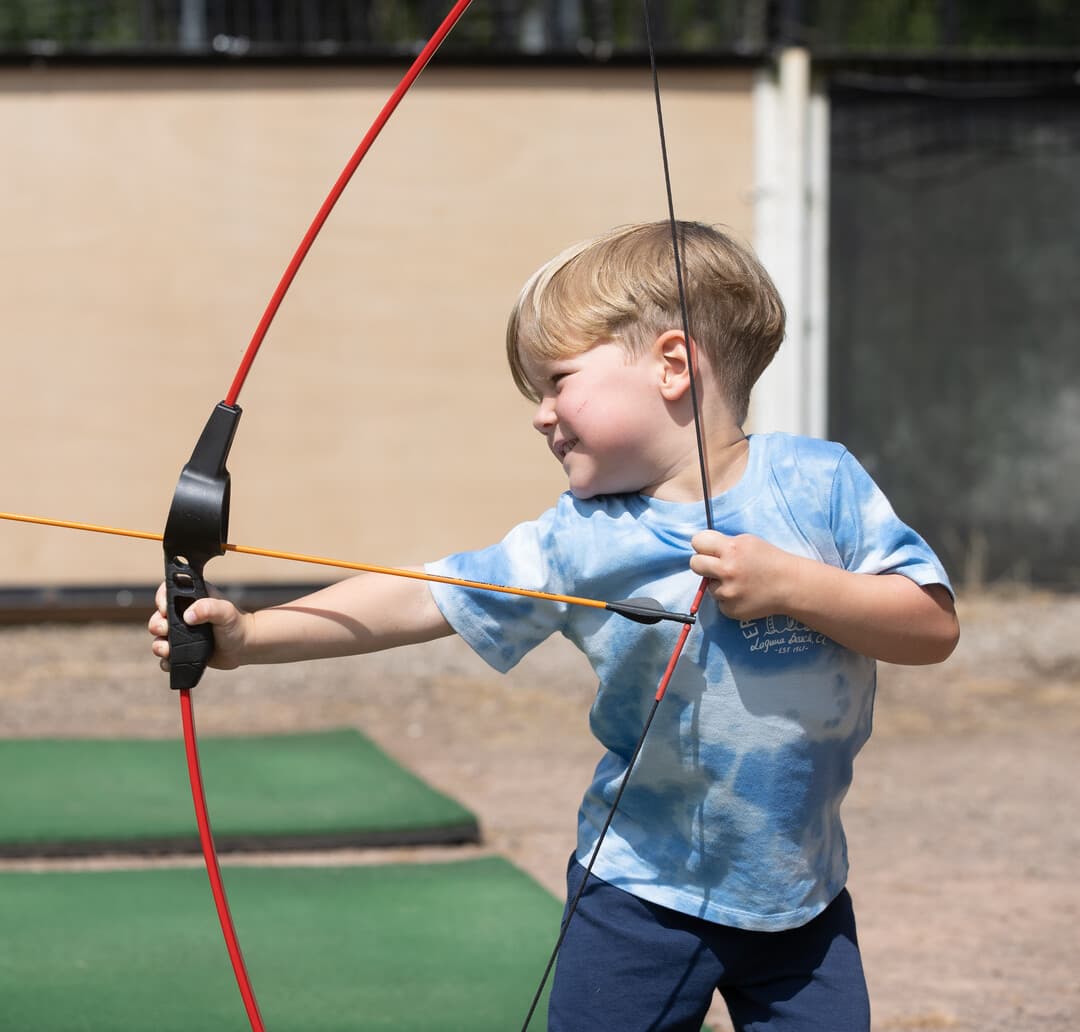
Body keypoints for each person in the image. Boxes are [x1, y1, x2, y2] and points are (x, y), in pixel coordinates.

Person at [149, 220, 958, 1031]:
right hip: (638, 896)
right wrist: (249, 638)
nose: (541, 416)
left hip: (801, 901)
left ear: (673, 366)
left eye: (558, 381)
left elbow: (930, 627)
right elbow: (424, 595)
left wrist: (794, 585)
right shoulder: (579, 536)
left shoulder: (820, 484)